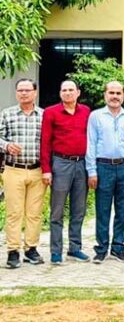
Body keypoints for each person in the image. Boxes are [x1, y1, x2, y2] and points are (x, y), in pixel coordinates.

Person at [86, 81, 124, 263]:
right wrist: (91, 171)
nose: (115, 96)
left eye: (118, 93)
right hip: (103, 167)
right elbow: (91, 144)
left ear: (123, 96)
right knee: (102, 209)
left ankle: (118, 248)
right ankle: (101, 249)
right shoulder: (96, 116)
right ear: (105, 95)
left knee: (123, 209)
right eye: (111, 93)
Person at [40, 80, 91, 265]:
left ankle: (75, 248)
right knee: (57, 210)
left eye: (71, 90)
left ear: (78, 92)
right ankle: (56, 251)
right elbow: (45, 142)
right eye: (64, 90)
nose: (68, 93)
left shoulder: (86, 111)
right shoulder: (51, 112)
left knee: (79, 209)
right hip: (60, 163)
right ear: (60, 93)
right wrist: (46, 169)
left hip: (82, 163)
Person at [1, 79, 45, 269]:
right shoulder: (7, 114)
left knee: (34, 213)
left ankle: (31, 249)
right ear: (16, 93)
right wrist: (6, 145)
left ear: (35, 92)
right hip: (13, 169)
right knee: (14, 212)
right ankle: (13, 251)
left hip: (37, 170)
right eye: (20, 90)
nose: (24, 93)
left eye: (27, 90)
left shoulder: (44, 115)